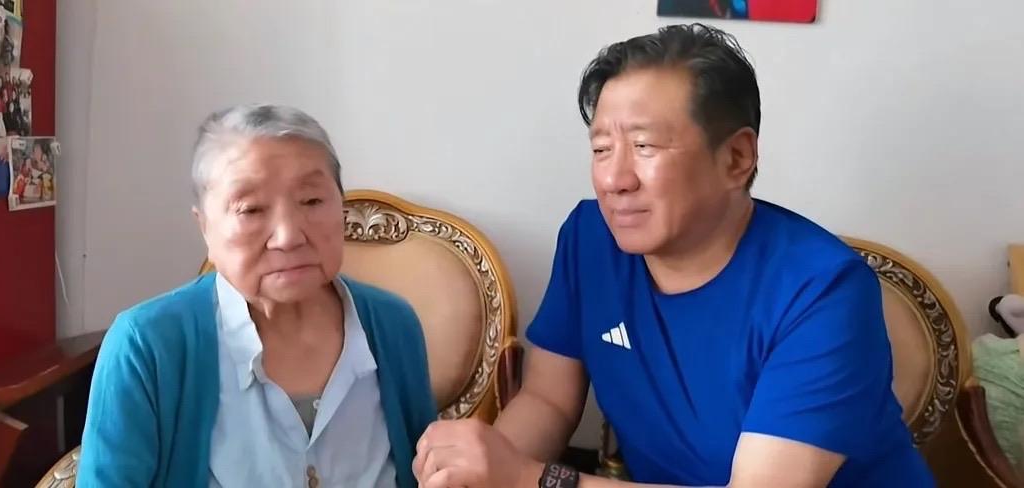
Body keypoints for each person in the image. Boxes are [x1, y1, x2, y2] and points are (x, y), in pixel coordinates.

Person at [413, 24, 933, 488]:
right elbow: (548, 400)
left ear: (737, 157)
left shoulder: (822, 290)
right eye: (601, 149)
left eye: (645, 146)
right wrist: (477, 472)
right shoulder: (590, 239)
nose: (614, 180)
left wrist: (531, 479)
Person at [78, 104, 436, 487]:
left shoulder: (393, 324)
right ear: (205, 228)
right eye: (250, 209)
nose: (288, 236)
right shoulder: (145, 344)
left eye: (312, 201)